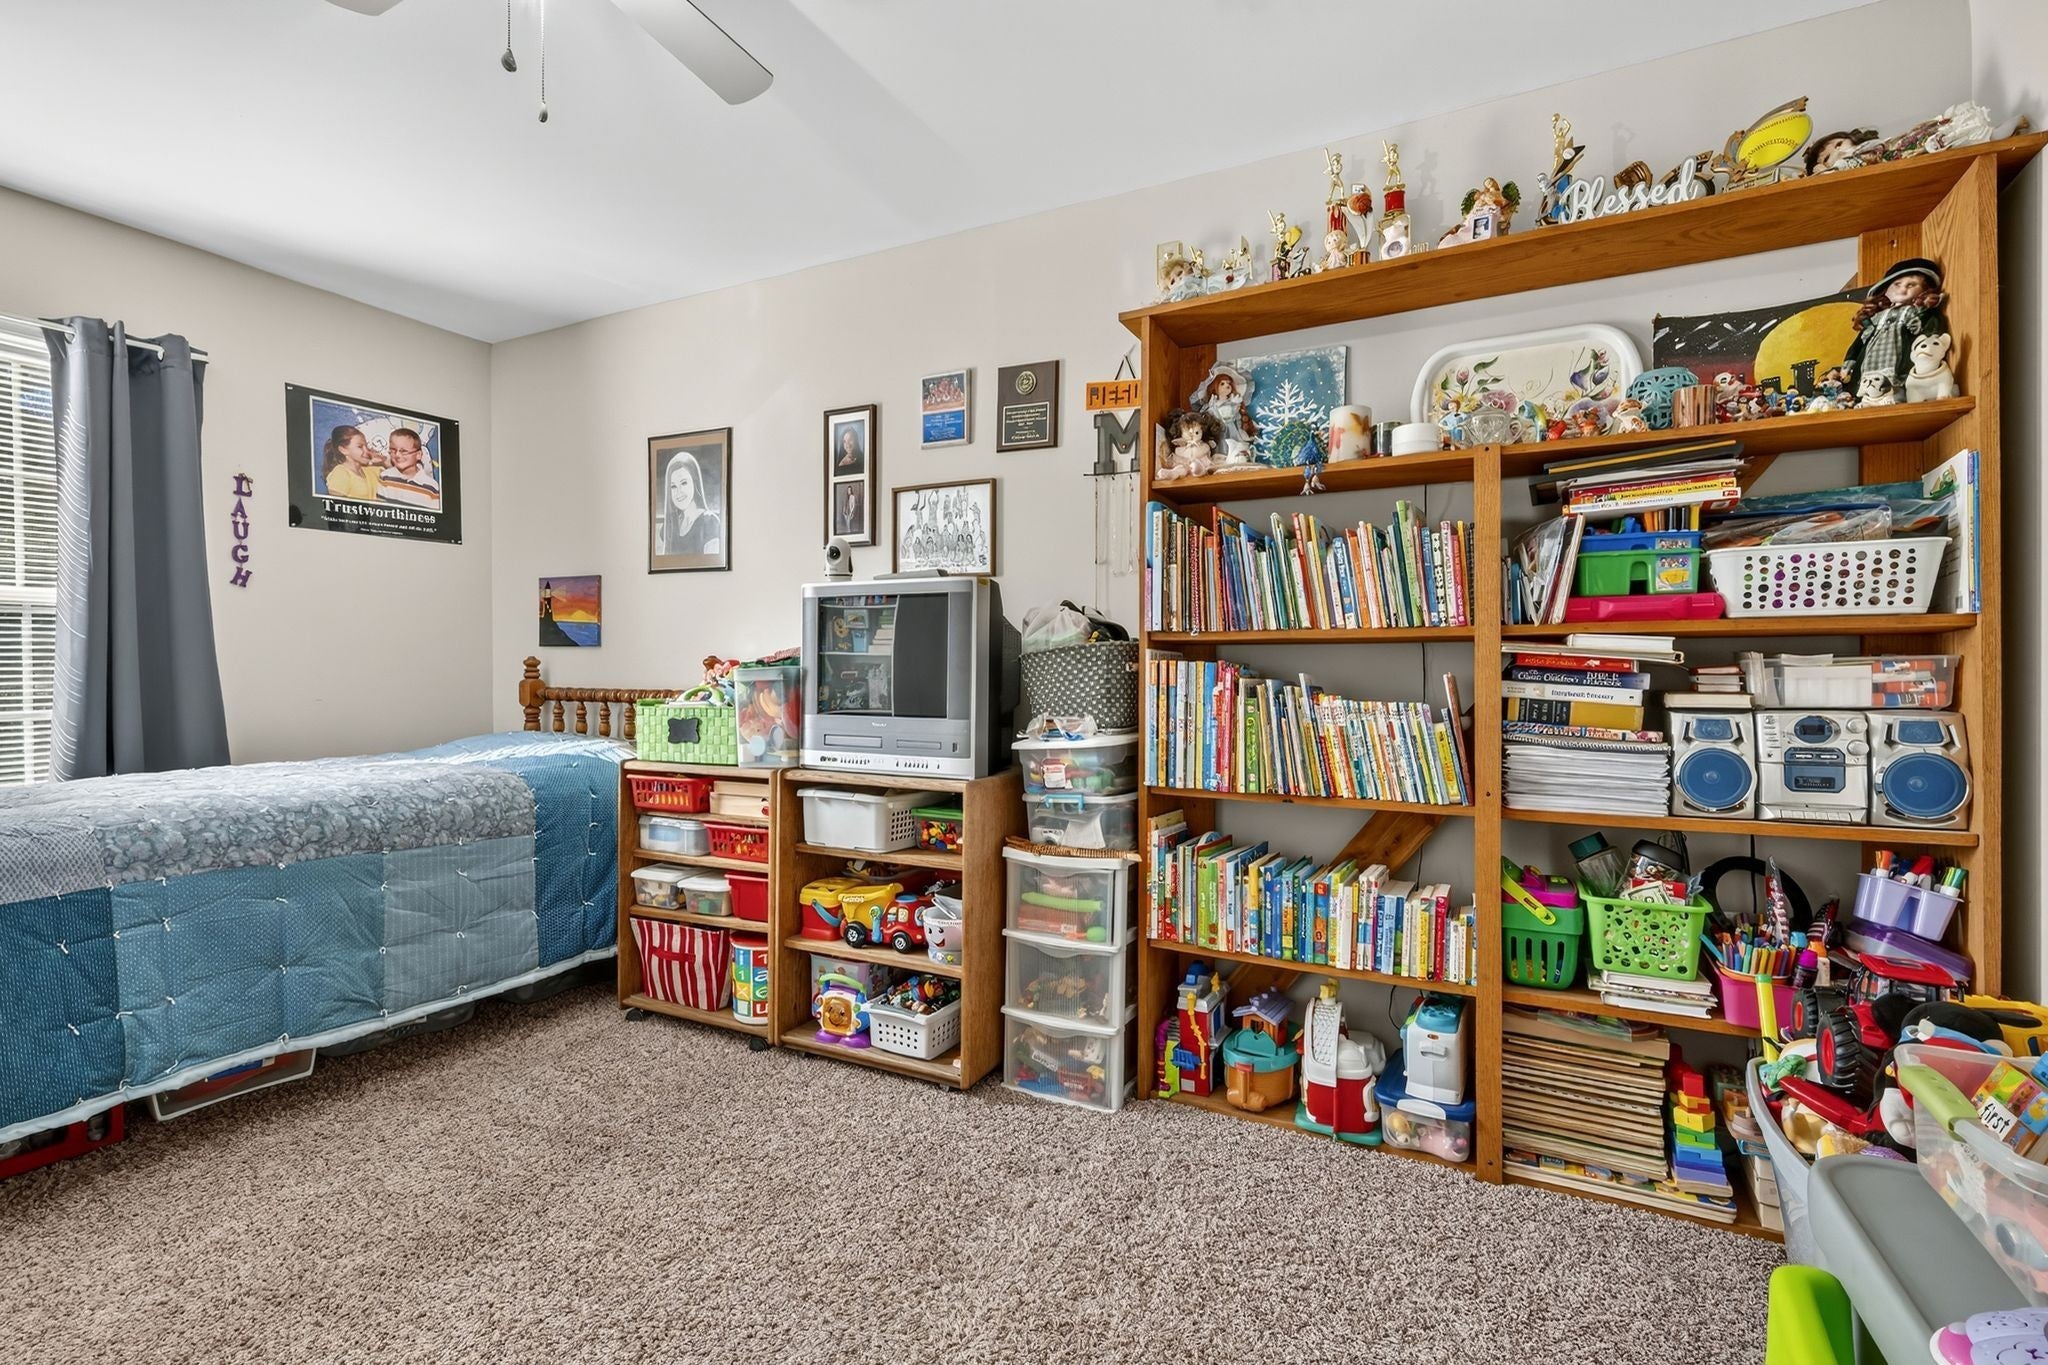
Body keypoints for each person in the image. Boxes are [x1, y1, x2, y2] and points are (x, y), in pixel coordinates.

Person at [655, 449, 722, 557]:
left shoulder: (710, 523)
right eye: (673, 486)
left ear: (695, 482)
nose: (679, 492)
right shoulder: (669, 527)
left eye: (684, 483)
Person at [375, 427, 441, 510]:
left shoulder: (432, 487)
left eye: (404, 451)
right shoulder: (385, 477)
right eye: (393, 450)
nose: (397, 455)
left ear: (418, 455)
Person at [321, 424, 380, 501]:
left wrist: (382, 461)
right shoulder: (340, 473)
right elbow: (336, 505)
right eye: (360, 447)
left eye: (366, 446)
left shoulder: (370, 471)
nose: (367, 451)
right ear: (343, 450)